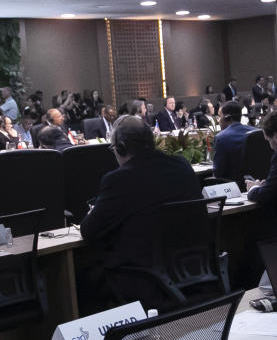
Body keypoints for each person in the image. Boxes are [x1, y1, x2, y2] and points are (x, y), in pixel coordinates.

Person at [80, 115, 201, 272]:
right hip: (192, 269)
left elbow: (89, 232)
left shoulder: (118, 180)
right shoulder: (182, 165)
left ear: (121, 147)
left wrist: (92, 213)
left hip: (143, 278)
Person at [212, 101, 255, 187]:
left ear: (227, 118)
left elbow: (218, 172)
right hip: (256, 182)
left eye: (219, 116)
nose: (218, 120)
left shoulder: (221, 138)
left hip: (233, 187)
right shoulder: (255, 131)